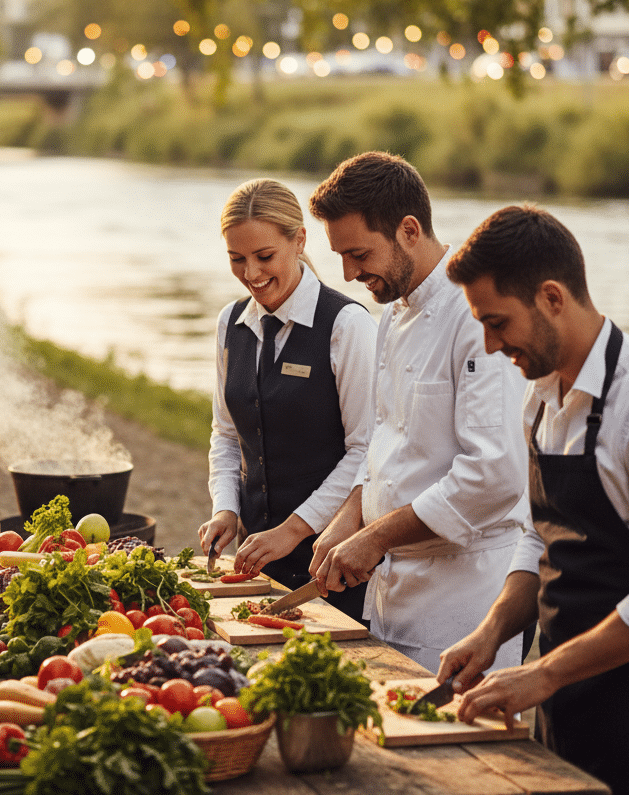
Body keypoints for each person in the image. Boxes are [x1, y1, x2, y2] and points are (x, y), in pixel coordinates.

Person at [437, 205, 629, 795]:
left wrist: (542, 674)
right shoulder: (538, 398)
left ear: (552, 297)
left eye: (497, 322)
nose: (489, 345)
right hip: (565, 700)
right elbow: (538, 534)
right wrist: (491, 633)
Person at [306, 152, 528, 673]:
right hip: (392, 589)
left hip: (463, 596)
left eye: (359, 253)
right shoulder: (392, 313)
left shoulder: (476, 318)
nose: (348, 273)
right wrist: (349, 519)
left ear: (409, 230)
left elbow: (495, 473)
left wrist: (376, 536)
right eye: (340, 256)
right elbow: (385, 444)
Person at [197, 178, 376, 617]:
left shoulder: (347, 325)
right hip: (255, 561)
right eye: (236, 259)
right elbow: (226, 434)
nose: (251, 274)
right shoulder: (229, 323)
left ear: (299, 241)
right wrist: (225, 509)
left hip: (332, 568)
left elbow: (366, 452)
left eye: (264, 257)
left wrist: (294, 529)